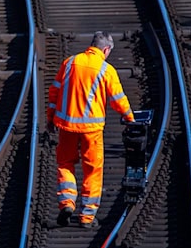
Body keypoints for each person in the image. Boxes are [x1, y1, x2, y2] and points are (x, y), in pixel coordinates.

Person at [46, 31, 134, 229]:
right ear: (105, 49)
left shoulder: (70, 62)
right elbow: (118, 99)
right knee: (92, 170)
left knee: (65, 163)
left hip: (66, 125)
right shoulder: (106, 69)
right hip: (91, 130)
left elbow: (54, 91)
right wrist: (130, 119)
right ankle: (86, 217)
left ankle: (67, 204)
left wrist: (50, 118)